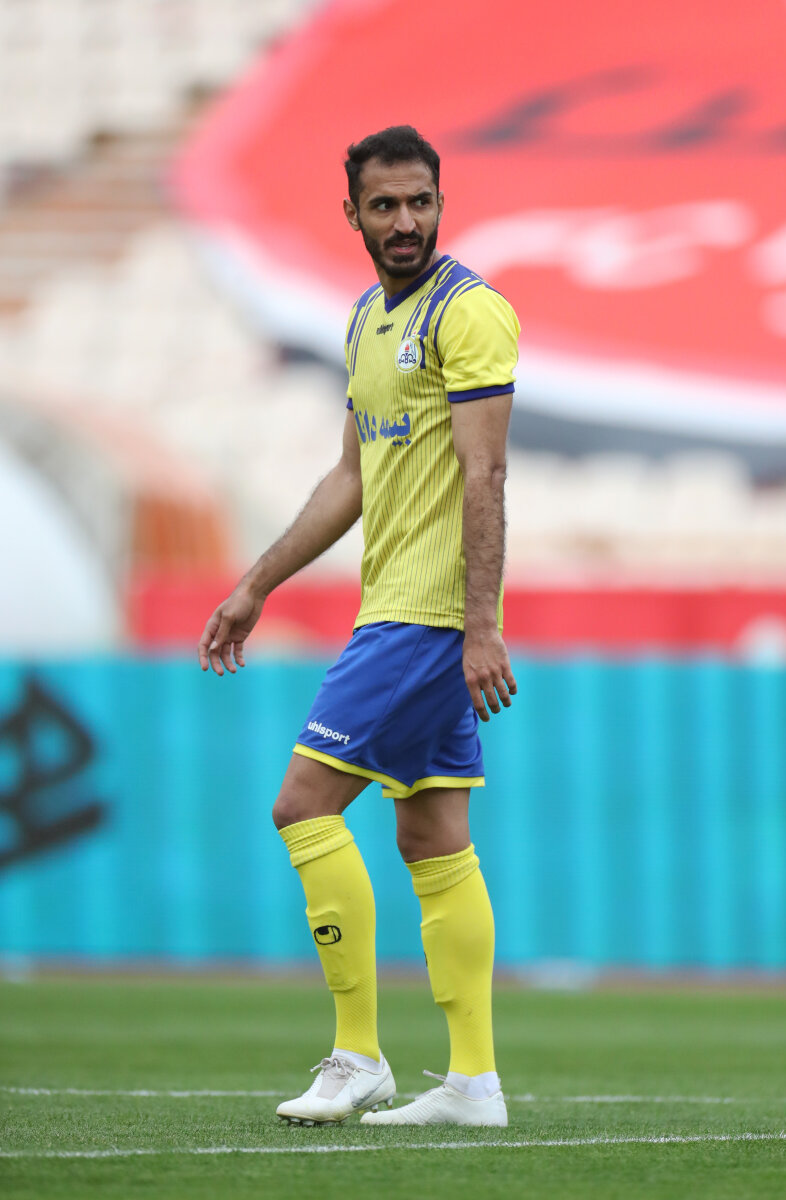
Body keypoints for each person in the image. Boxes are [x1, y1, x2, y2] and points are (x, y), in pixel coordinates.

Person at [198, 125, 520, 1128]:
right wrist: (257, 584)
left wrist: (478, 626)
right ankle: (472, 1084)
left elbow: (485, 472)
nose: (404, 220)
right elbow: (351, 476)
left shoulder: (469, 313)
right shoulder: (364, 322)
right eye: (384, 205)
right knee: (430, 833)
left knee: (301, 805)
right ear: (352, 214)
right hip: (399, 610)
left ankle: (357, 1056)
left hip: (425, 618)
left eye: (419, 201)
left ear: (441, 202)